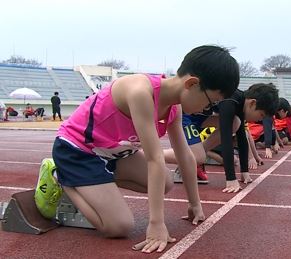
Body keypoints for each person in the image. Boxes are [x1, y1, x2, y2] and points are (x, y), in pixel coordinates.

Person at [37, 45, 240, 253]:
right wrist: (156, 224)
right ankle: (61, 177)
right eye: (210, 102)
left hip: (112, 153)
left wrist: (194, 203)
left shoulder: (175, 107)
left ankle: (92, 185)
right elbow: (154, 159)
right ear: (192, 83)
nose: (206, 110)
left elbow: (185, 157)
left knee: (166, 182)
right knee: (119, 226)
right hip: (78, 150)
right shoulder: (139, 92)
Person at [166, 83, 279, 193]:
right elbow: (226, 139)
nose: (258, 120)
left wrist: (244, 171)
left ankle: (195, 155)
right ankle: (153, 155)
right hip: (183, 115)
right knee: (198, 157)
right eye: (261, 115)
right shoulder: (230, 101)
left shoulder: (240, 102)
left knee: (236, 122)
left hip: (199, 117)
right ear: (252, 103)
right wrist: (230, 178)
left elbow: (242, 137)